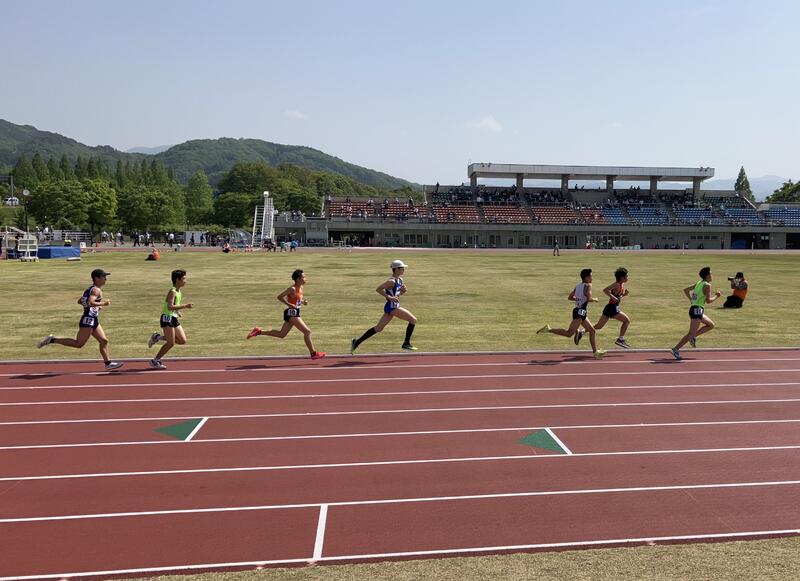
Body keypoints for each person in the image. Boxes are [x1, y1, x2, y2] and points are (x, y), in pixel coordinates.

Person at [36, 269, 124, 370]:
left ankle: (108, 363)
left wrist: (95, 307)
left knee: (104, 341)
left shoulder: (91, 289)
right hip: (88, 320)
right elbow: (90, 302)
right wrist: (103, 303)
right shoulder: (96, 290)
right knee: (78, 344)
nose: (105, 279)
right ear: (97, 278)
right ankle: (52, 340)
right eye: (104, 277)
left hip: (93, 319)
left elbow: (80, 301)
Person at [246, 269, 326, 360]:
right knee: (307, 332)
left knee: (281, 334)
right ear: (298, 279)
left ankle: (258, 331)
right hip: (292, 314)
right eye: (303, 277)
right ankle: (313, 353)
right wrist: (289, 304)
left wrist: (303, 302)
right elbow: (279, 297)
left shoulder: (301, 288)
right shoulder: (292, 289)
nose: (305, 279)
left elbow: (297, 299)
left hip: (294, 313)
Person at [537, 268, 606, 359]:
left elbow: (570, 297)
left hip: (579, 311)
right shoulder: (588, 286)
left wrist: (578, 299)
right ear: (586, 277)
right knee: (569, 333)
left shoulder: (578, 285)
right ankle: (548, 329)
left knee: (592, 331)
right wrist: (594, 299)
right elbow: (588, 298)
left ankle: (595, 352)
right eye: (591, 276)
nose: (592, 278)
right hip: (580, 312)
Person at [351, 259, 418, 353]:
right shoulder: (391, 281)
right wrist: (388, 297)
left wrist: (402, 291)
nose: (404, 269)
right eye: (402, 268)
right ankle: (406, 343)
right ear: (396, 269)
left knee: (378, 328)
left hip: (393, 306)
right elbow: (378, 289)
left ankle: (356, 342)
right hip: (392, 307)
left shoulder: (400, 280)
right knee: (413, 320)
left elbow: (397, 294)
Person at [671, 266, 721, 361]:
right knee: (691, 333)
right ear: (707, 275)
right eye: (711, 273)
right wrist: (717, 296)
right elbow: (708, 301)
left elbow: (686, 290)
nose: (712, 275)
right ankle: (675, 349)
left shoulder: (699, 283)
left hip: (696, 309)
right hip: (697, 310)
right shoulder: (707, 285)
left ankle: (692, 337)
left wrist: (691, 300)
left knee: (711, 325)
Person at [147, 269, 194, 369]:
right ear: (177, 280)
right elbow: (169, 306)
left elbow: (174, 306)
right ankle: (155, 361)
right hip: (166, 317)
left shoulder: (179, 291)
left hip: (173, 318)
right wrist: (185, 306)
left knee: (182, 340)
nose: (185, 281)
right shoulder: (172, 292)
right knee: (171, 343)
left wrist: (177, 311)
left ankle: (157, 337)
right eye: (184, 279)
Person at [593, 267, 632, 348]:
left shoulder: (622, 284)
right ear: (622, 277)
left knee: (599, 326)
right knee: (626, 321)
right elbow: (605, 290)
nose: (628, 277)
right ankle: (620, 339)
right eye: (626, 276)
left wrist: (624, 295)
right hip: (612, 308)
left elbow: (618, 296)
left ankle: (582, 331)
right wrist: (612, 297)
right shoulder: (616, 284)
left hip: (609, 308)